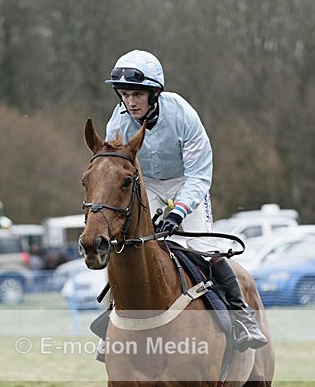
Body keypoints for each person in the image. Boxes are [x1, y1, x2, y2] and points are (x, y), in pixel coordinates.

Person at [105, 49, 267, 351]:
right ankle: (110, 323)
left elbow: (199, 174)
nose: (131, 102)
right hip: (146, 186)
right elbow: (116, 173)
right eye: (125, 95)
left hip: (186, 182)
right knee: (127, 247)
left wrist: (178, 211)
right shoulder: (117, 124)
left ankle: (241, 316)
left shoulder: (182, 115)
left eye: (138, 94)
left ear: (154, 93)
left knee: (204, 249)